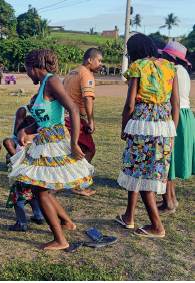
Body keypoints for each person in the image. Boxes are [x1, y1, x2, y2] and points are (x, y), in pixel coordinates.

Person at [8, 49, 94, 250]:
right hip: (43, 140)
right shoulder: (42, 86)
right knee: (41, 189)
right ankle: (66, 224)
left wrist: (74, 143)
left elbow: (73, 109)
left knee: (41, 192)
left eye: (26, 69)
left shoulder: (52, 81)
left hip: (54, 141)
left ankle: (60, 240)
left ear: (32, 67)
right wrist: (26, 130)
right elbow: (41, 120)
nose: (26, 73)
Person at [116, 34, 180, 237]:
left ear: (134, 51)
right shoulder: (170, 67)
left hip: (142, 123)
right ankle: (129, 217)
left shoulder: (137, 66)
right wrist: (172, 130)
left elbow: (130, 104)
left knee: (142, 173)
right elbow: (175, 104)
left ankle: (157, 226)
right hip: (164, 124)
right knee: (141, 170)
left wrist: (124, 127)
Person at [158, 41, 194, 213]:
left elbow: (174, 100)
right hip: (186, 116)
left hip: (176, 115)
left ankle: (169, 202)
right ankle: (171, 198)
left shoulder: (170, 70)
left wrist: (172, 123)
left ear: (169, 56)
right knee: (170, 160)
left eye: (164, 54)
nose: (161, 56)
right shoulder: (184, 71)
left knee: (166, 158)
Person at [63, 48, 103, 196]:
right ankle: (79, 185)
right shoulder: (87, 75)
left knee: (76, 150)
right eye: (99, 61)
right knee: (89, 150)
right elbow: (87, 98)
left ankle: (72, 180)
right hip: (76, 119)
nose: (101, 64)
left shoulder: (71, 72)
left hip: (65, 117)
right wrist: (91, 121)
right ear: (90, 60)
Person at [6, 115, 44, 231]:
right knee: (33, 197)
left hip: (22, 177)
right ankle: (39, 216)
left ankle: (21, 223)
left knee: (19, 200)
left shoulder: (21, 144)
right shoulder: (38, 143)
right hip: (35, 176)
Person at [3, 94, 37, 160]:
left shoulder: (41, 112)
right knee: (7, 141)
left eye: (36, 104)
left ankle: (14, 157)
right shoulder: (23, 110)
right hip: (18, 139)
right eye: (32, 103)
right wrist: (25, 140)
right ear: (30, 100)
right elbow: (16, 131)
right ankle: (17, 160)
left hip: (33, 140)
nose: (33, 105)